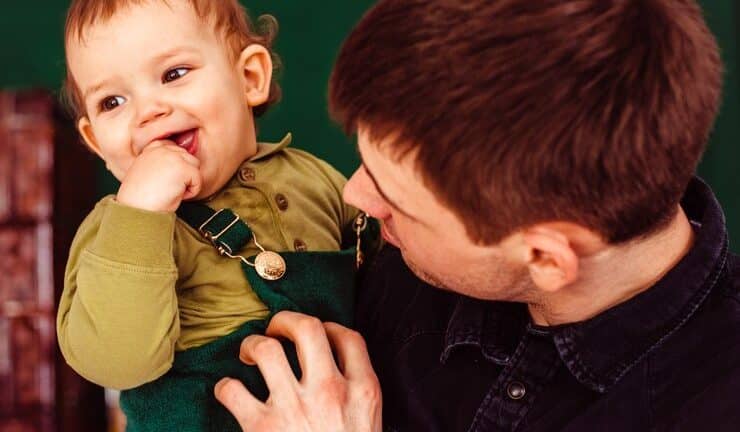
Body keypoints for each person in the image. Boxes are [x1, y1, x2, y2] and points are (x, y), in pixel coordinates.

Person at [213, 0, 740, 431]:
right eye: (366, 162)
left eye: (397, 201)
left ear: (545, 258)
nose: (354, 196)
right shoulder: (391, 271)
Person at [55, 0, 377, 430]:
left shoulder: (314, 179)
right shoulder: (114, 232)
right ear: (97, 143)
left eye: (173, 74)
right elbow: (116, 362)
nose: (148, 111)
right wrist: (139, 214)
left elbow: (390, 277)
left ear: (250, 78)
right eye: (112, 101)